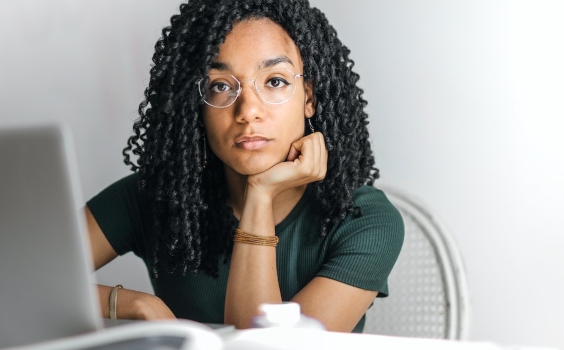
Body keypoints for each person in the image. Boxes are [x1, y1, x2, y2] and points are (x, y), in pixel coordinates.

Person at [86, 0, 404, 333]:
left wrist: (261, 194)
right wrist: (137, 305)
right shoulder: (157, 197)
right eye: (220, 86)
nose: (248, 110)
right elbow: (28, 274)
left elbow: (265, 347)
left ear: (308, 98)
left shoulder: (364, 220)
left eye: (275, 81)